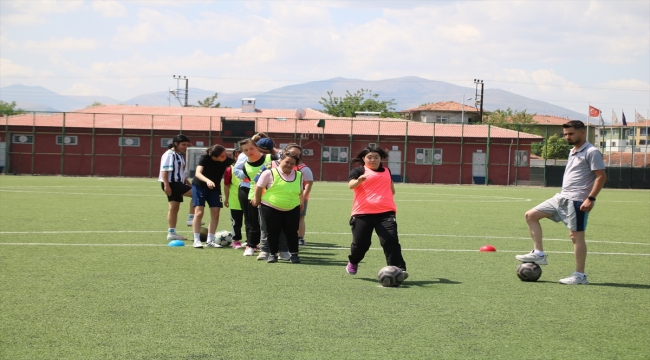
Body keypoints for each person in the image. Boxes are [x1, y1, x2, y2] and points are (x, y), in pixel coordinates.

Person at [516, 120, 606, 285]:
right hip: (561, 197)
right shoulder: (573, 150)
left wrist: (591, 198)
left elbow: (601, 176)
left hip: (577, 200)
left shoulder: (592, 152)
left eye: (571, 134)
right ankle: (539, 253)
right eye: (565, 134)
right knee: (531, 215)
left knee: (576, 236)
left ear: (582, 132)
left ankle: (580, 275)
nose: (567, 137)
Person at [345, 146, 408, 279]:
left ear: (381, 159)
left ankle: (399, 269)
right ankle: (353, 261)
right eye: (369, 157)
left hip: (386, 212)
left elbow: (391, 188)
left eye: (376, 157)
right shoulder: (359, 170)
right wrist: (359, 180)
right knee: (361, 244)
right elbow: (350, 185)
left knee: (390, 240)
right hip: (362, 212)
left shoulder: (387, 171)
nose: (373, 159)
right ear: (364, 158)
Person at [252, 152, 304, 263]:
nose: (289, 165)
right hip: (270, 206)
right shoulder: (268, 173)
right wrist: (257, 200)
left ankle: (294, 255)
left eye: (292, 163)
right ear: (281, 160)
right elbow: (259, 187)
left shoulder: (299, 175)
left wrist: (301, 202)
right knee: (272, 232)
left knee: (292, 232)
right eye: (287, 162)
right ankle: (273, 254)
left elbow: (300, 191)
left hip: (292, 207)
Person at [233, 137, 274, 256]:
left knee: (269, 222)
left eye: (251, 148)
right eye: (245, 150)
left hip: (271, 195)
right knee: (252, 221)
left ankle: (273, 246)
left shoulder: (270, 158)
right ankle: (251, 245)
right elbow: (253, 182)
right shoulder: (245, 166)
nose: (249, 151)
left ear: (257, 147)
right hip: (253, 195)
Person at [191, 144, 234, 248]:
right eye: (222, 156)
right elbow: (198, 173)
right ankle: (196, 240)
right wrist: (208, 180)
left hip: (215, 188)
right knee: (199, 212)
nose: (225, 157)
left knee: (215, 213)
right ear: (214, 157)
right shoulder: (204, 158)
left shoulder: (227, 161)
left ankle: (210, 241)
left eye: (225, 155)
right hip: (200, 186)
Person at [158, 134, 195, 241]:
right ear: (176, 143)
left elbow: (181, 173)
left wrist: (188, 183)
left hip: (178, 183)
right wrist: (166, 185)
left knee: (174, 208)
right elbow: (164, 170)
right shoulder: (169, 155)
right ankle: (191, 218)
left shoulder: (178, 155)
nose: (185, 147)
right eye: (183, 144)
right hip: (172, 184)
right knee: (197, 193)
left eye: (187, 145)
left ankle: (171, 233)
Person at [283, 144, 314, 246]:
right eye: (293, 153)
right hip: (284, 197)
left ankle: (300, 238)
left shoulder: (303, 168)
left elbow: (309, 183)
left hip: (298, 197)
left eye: (298, 154)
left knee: (300, 218)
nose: (295, 155)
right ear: (285, 152)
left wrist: (304, 197)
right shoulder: (280, 165)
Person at [224, 148, 244, 248]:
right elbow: (226, 185)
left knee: (251, 222)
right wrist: (226, 198)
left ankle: (251, 241)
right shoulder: (229, 169)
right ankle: (236, 240)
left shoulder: (252, 168)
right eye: (236, 156)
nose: (238, 158)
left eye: (241, 156)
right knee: (236, 222)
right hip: (235, 200)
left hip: (249, 199)